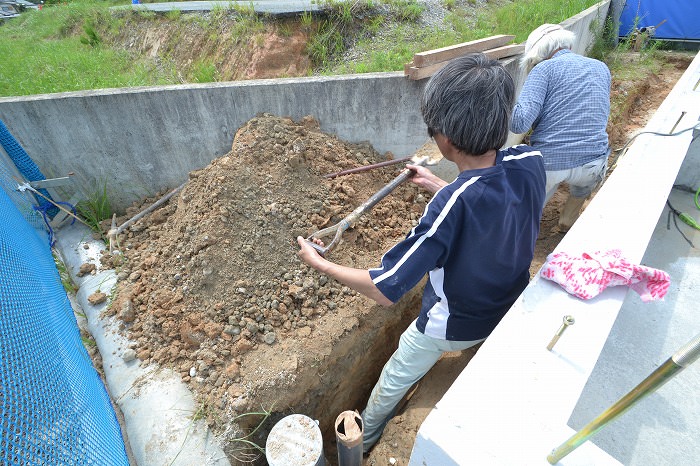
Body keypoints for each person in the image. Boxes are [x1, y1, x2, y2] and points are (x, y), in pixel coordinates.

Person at [296, 53, 546, 453]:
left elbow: (384, 287)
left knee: (392, 379)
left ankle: (368, 440)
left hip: (452, 326)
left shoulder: (450, 206)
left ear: (445, 140)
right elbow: (483, 201)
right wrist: (435, 182)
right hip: (508, 306)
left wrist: (322, 263)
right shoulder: (531, 162)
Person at [511, 23, 611, 232]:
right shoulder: (601, 67)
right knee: (582, 188)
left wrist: (507, 101)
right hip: (592, 163)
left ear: (536, 53)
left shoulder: (543, 69)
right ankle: (567, 220)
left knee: (527, 215)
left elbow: (519, 123)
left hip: (550, 165)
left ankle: (521, 236)